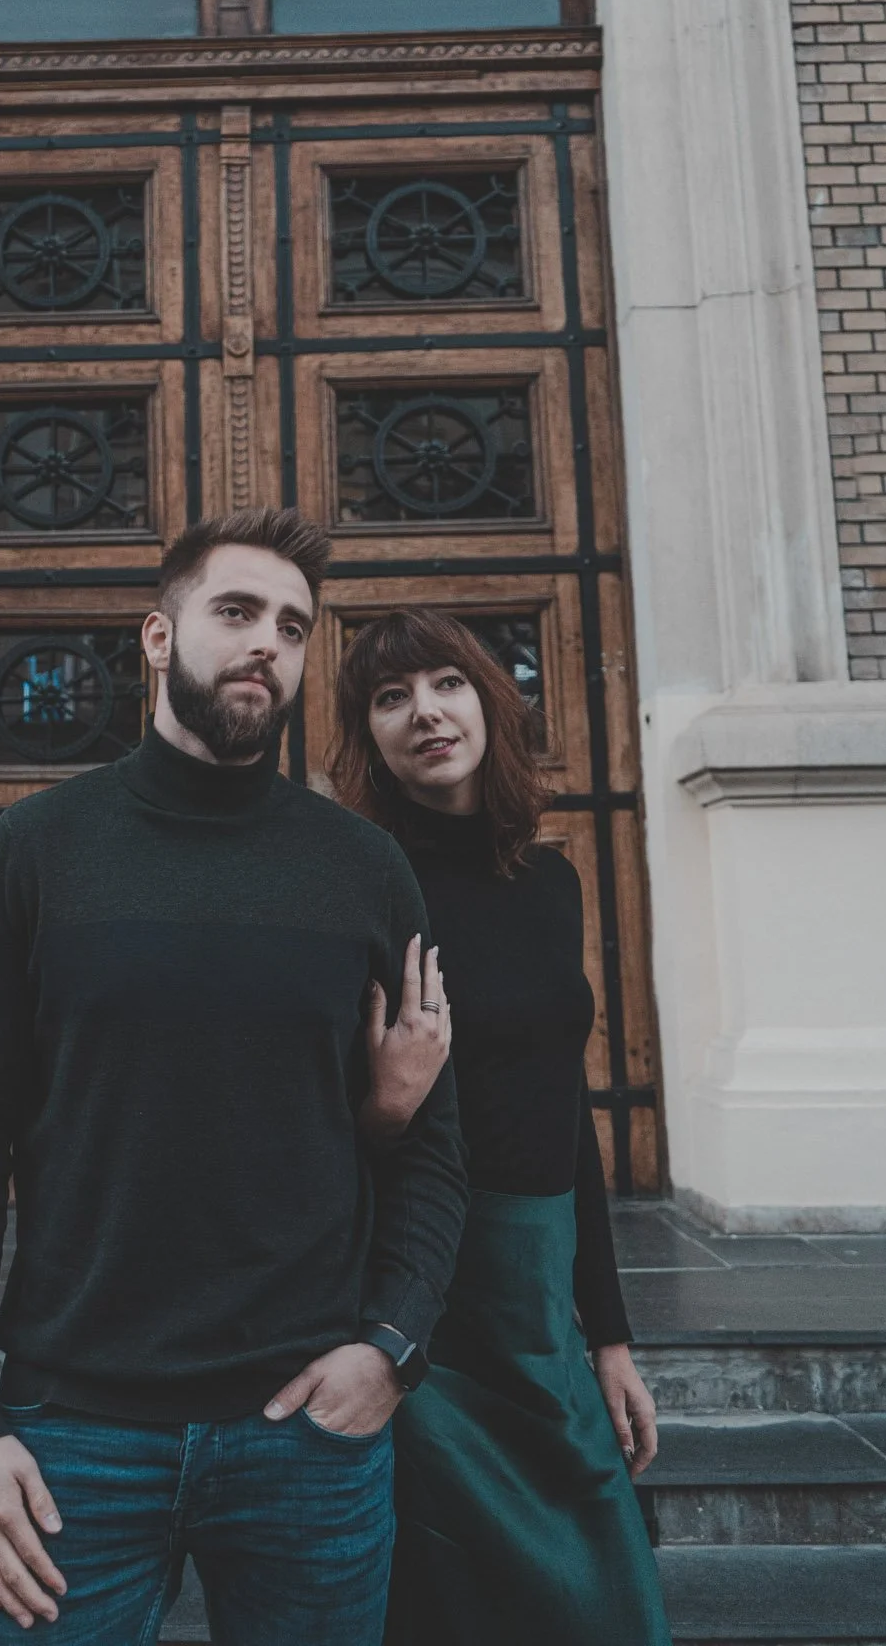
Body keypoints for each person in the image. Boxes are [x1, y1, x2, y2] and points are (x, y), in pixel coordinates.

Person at [0, 509, 468, 1646]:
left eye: (293, 625)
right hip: (74, 1436)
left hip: (308, 1429)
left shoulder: (362, 866)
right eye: (237, 612)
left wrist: (392, 1349)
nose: (268, 641)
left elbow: (430, 1146)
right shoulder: (36, 848)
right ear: (159, 638)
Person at [330, 606, 671, 1646]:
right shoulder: (357, 887)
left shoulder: (553, 879)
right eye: (391, 698)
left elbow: (565, 1110)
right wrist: (382, 1107)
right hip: (424, 1285)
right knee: (449, 1587)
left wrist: (608, 1334)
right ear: (369, 739)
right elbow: (298, 1117)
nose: (424, 712)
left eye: (446, 682)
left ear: (489, 699)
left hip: (536, 1285)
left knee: (599, 1576)